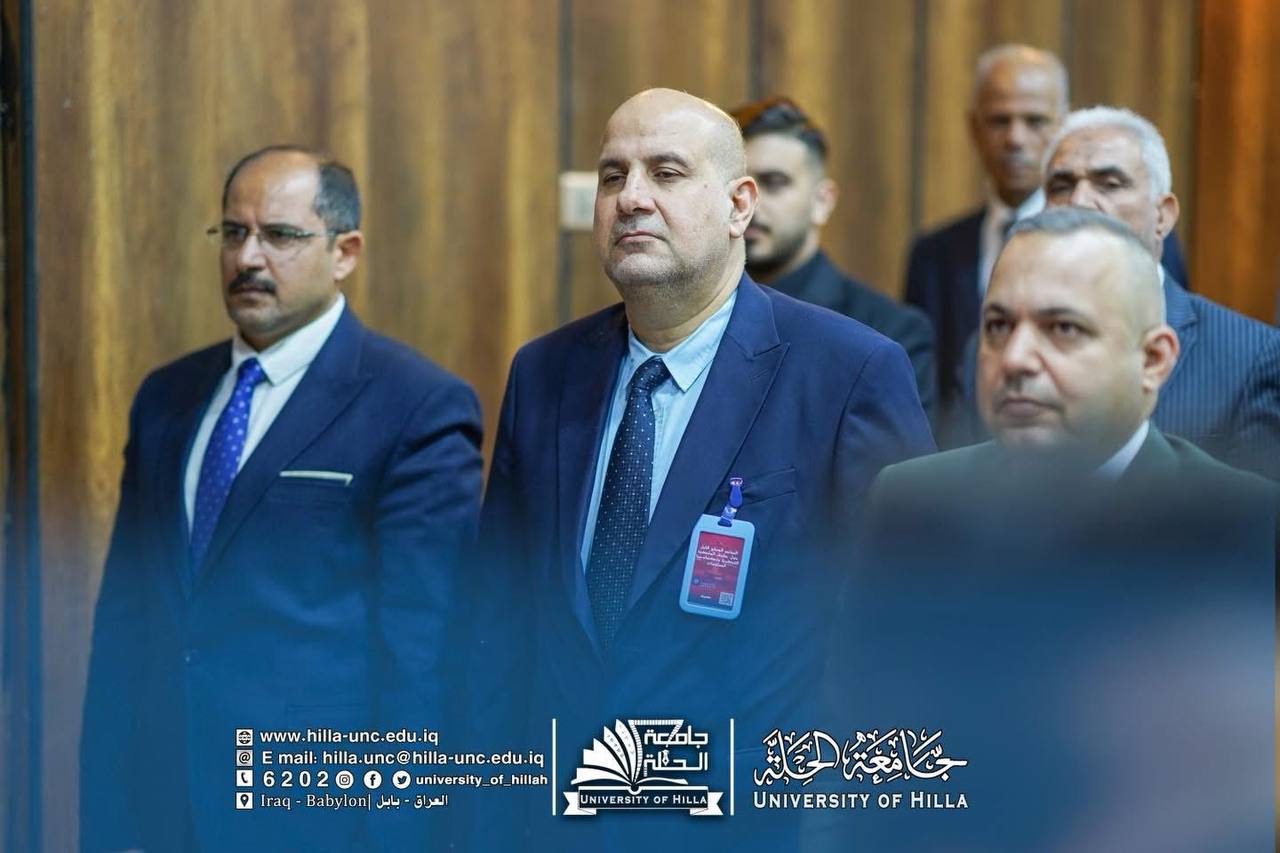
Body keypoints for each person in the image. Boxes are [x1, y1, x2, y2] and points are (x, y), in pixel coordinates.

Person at [474, 88, 933, 851]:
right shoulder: (543, 373)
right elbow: (498, 627)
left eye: (667, 172)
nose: (632, 198)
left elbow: (905, 639)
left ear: (738, 205)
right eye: (613, 175)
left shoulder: (849, 372)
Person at [828, 207, 1276, 852]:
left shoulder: (1243, 528)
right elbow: (856, 751)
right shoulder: (913, 502)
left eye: (1063, 329)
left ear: (1153, 360)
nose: (1015, 359)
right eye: (997, 326)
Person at [80, 146, 484, 853]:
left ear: (344, 252)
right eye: (233, 233)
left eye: (280, 235)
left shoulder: (415, 406)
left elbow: (423, 657)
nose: (248, 258)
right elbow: (125, 618)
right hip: (165, 806)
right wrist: (106, 821)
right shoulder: (167, 398)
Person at [956, 107, 1280, 479]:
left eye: (1109, 184)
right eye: (1061, 186)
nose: (1080, 201)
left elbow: (1253, 510)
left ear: (1163, 215)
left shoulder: (1252, 356)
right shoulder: (991, 352)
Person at [904, 45, 1188, 437]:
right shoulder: (934, 253)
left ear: (1062, 123)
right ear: (974, 127)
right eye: (999, 121)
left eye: (1034, 121)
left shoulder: (1135, 239)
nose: (1015, 138)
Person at [730, 96, 937, 420]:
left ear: (822, 202)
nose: (750, 203)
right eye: (737, 187)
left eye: (774, 183)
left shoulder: (889, 332)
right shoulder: (691, 319)